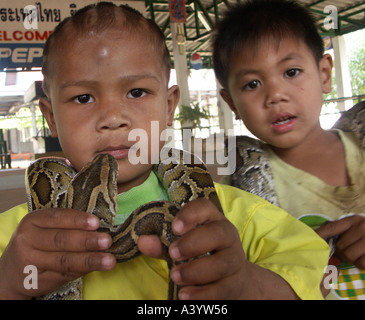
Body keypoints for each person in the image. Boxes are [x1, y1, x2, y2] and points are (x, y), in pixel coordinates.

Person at [0, 2, 329, 300]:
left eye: (137, 92)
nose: (113, 119)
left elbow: (317, 279)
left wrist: (244, 284)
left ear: (169, 107)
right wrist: (11, 282)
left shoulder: (236, 216)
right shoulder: (18, 238)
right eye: (84, 98)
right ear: (51, 118)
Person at [212, 0, 365, 299]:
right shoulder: (234, 198)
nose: (275, 95)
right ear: (232, 104)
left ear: (324, 74)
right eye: (252, 84)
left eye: (291, 72)